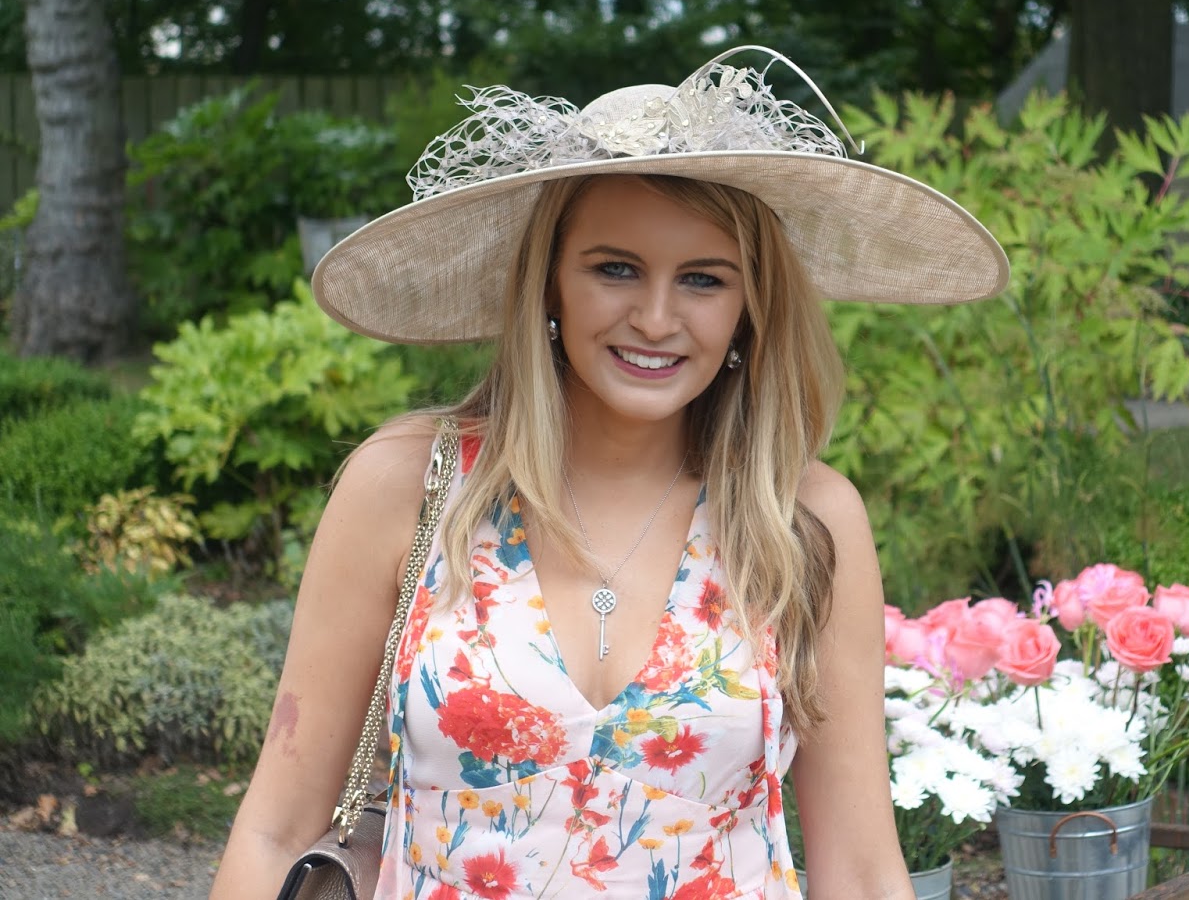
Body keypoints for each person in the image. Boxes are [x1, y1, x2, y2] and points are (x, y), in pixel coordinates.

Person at [210, 48, 1008, 900]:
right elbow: (275, 830)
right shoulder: (408, 485)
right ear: (550, 282)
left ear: (749, 309)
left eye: (702, 280)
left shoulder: (801, 515)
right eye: (615, 268)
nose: (656, 319)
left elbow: (861, 868)